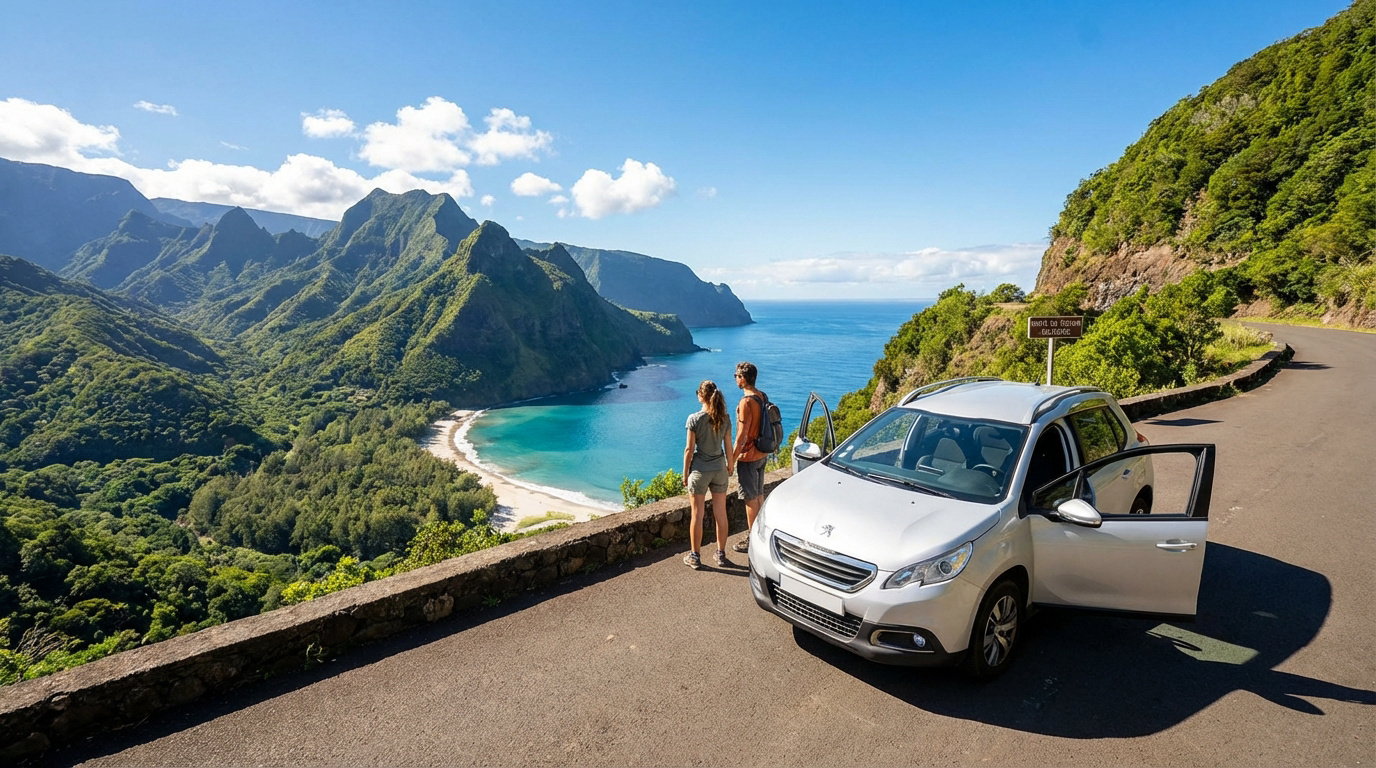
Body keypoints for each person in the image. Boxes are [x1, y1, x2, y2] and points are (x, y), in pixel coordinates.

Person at [682, 379, 734, 569]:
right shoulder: (725, 418)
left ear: (700, 396)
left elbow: (689, 449)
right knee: (721, 513)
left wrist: (685, 474)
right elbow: (728, 445)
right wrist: (730, 466)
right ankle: (721, 554)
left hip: (700, 471)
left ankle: (695, 557)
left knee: (698, 514)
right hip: (719, 469)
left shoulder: (694, 419)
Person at [730, 361, 768, 553]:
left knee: (750, 499)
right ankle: (761, 532)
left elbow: (742, 435)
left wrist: (733, 458)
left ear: (743, 379)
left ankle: (752, 538)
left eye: (736, 376)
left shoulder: (746, 402)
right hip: (762, 452)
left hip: (749, 456)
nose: (735, 379)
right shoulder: (761, 396)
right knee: (759, 495)